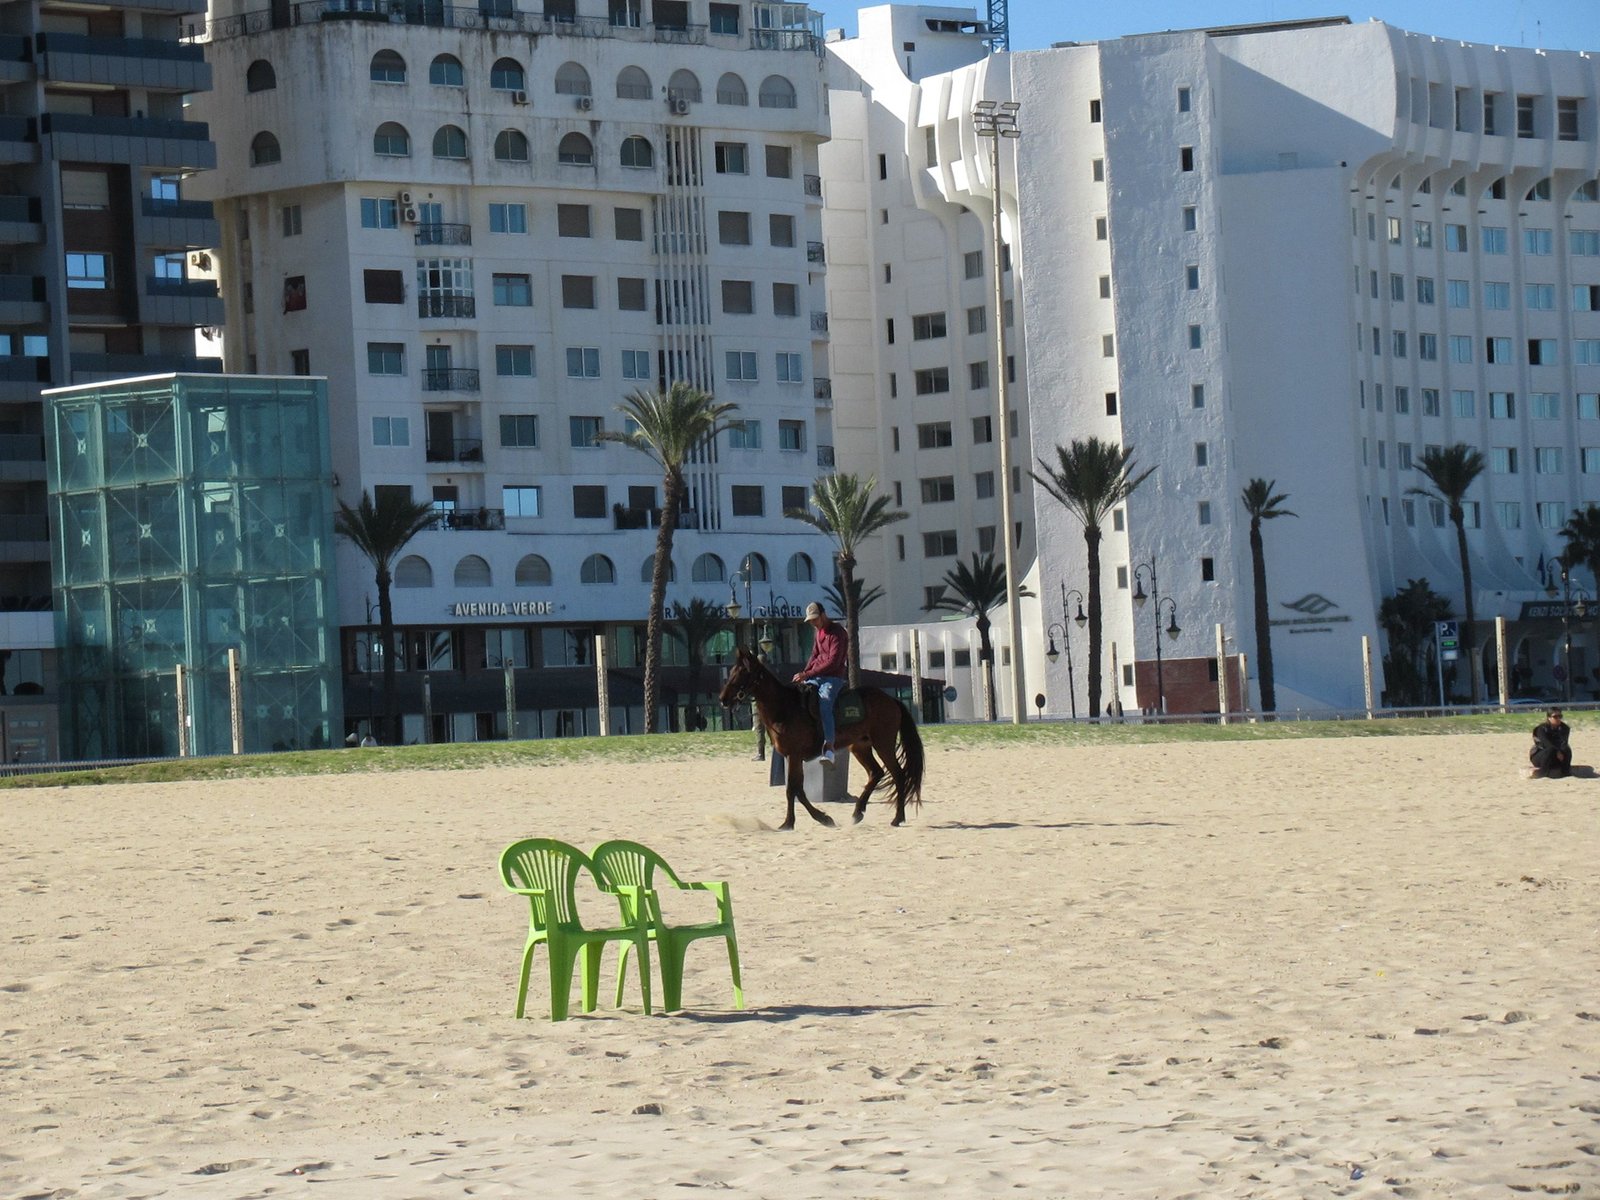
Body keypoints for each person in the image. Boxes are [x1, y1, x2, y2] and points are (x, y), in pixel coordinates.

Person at [793, 601, 848, 764]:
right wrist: (803, 674)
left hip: (833, 678)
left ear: (823, 615)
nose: (813, 623)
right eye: (810, 621)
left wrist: (808, 673)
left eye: (815, 619)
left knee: (825, 703)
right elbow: (814, 655)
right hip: (815, 677)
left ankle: (829, 746)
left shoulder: (838, 633)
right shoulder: (819, 633)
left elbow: (833, 662)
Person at [1529, 707, 1572, 778]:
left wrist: (1561, 751)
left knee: (1567, 749)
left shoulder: (1565, 728)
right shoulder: (1541, 729)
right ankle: (1542, 772)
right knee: (1550, 750)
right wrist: (1557, 751)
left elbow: (1564, 743)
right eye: (1555, 717)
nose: (1558, 719)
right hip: (1540, 755)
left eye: (1560, 716)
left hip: (1557, 756)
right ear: (1549, 718)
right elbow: (1546, 743)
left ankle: (1566, 771)